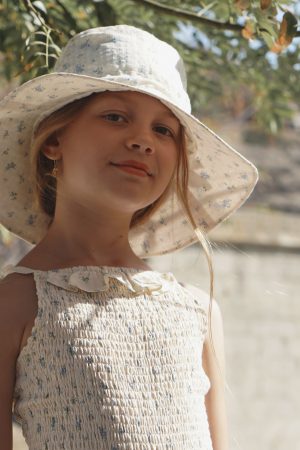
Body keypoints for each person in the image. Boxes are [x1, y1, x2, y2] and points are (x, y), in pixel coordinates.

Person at [0, 25, 258, 450]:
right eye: (115, 116)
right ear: (54, 139)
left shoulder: (196, 312)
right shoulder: (15, 305)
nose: (142, 140)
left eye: (164, 130)